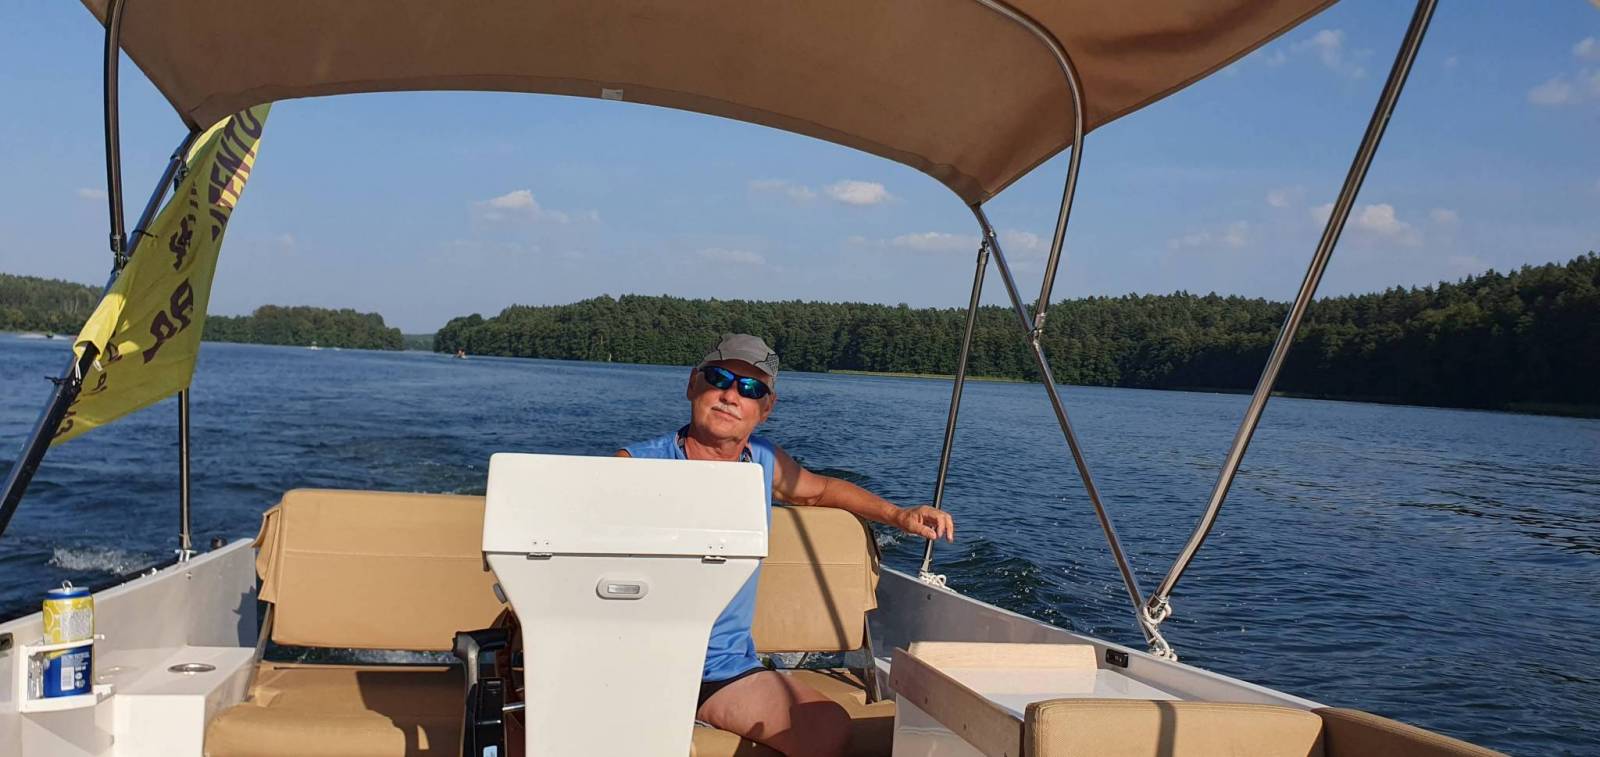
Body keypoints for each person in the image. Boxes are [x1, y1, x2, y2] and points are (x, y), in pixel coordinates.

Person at [616, 333, 955, 757]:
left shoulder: (763, 460)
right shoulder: (634, 466)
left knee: (825, 727)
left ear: (766, 408)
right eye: (718, 378)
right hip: (636, 662)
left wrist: (898, 515)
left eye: (750, 388)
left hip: (722, 670)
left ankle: (698, 711)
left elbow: (818, 491)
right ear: (692, 384)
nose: (730, 396)